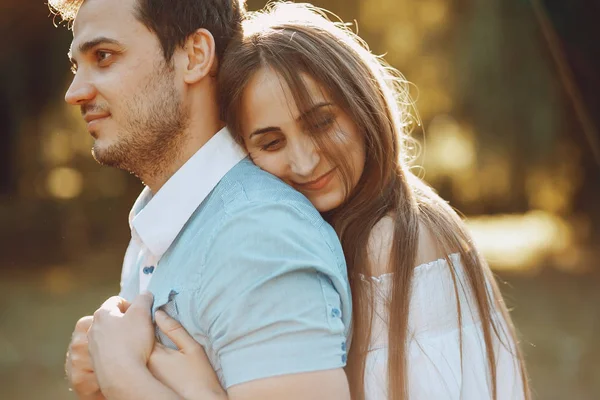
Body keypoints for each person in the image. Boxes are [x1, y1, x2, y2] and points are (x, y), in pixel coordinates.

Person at [86, 2, 533, 400]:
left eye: (320, 123)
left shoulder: (392, 239)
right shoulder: (322, 230)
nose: (304, 161)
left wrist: (152, 384)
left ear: (363, 107)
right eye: (271, 142)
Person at [50, 0, 354, 399]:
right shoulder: (163, 222)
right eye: (77, 66)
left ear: (194, 56)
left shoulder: (258, 237)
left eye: (103, 57)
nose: (76, 92)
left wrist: (122, 377)